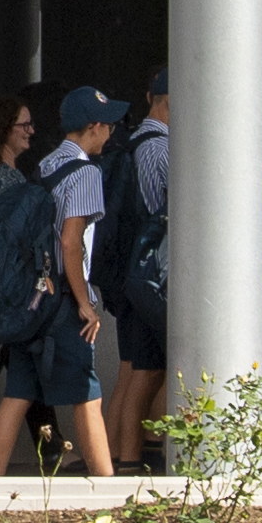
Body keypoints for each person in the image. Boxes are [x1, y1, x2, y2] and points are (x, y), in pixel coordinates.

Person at [0, 88, 126, 479]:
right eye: (109, 125)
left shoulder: (45, 165)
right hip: (62, 299)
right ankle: (106, 485)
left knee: (18, 394)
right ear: (94, 126)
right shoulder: (85, 173)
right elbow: (70, 242)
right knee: (87, 394)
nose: (110, 133)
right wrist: (84, 303)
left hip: (30, 298)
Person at [103, 73, 179, 458]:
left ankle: (116, 456)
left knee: (134, 370)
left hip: (129, 271)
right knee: (143, 372)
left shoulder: (133, 142)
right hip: (150, 273)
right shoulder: (161, 149)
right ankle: (127, 457)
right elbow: (164, 213)